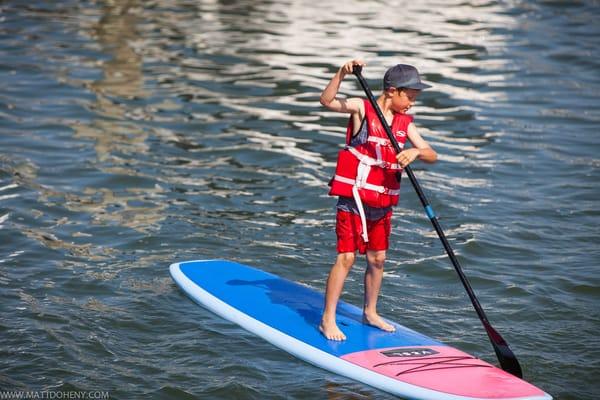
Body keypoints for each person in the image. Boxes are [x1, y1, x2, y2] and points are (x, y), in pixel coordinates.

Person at [319, 59, 438, 341]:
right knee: (347, 258)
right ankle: (327, 319)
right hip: (355, 199)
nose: (411, 103)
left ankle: (370, 312)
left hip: (382, 203)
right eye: (409, 97)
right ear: (392, 91)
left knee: (378, 259)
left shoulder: (404, 124)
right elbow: (327, 101)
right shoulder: (363, 108)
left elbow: (432, 153)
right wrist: (341, 73)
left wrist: (417, 153)